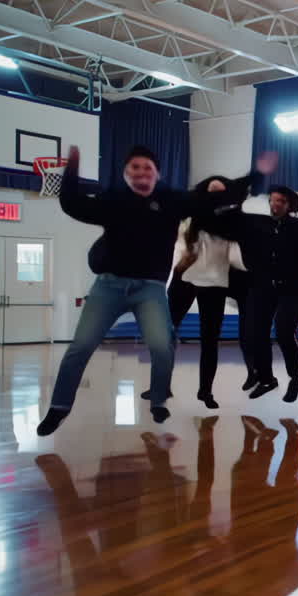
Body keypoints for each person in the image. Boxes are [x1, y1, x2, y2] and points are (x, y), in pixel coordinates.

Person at [37, 145, 253, 436]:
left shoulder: (171, 200)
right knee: (81, 347)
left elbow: (206, 204)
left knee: (163, 345)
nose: (141, 173)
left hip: (149, 290)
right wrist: (71, 170)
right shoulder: (113, 199)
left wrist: (228, 187)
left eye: (147, 168)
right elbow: (74, 205)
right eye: (135, 168)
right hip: (109, 286)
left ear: (157, 174)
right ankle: (59, 408)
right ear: (126, 174)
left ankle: (159, 399)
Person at [204, 174, 298, 403]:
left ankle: (295, 375)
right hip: (262, 288)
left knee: (283, 332)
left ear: (289, 205)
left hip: (292, 289)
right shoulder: (256, 223)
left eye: (280, 201)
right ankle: (267, 379)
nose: (275, 204)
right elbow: (229, 219)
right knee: (254, 334)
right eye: (272, 200)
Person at [166, 177, 242, 409]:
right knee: (166, 334)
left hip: (215, 283)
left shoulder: (232, 221)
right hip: (186, 278)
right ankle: (160, 385)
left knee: (210, 341)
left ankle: (205, 391)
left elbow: (238, 254)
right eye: (211, 191)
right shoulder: (189, 217)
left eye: (220, 192)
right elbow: (178, 243)